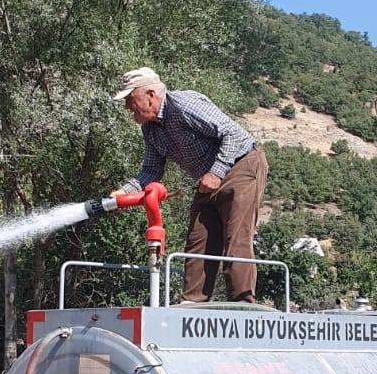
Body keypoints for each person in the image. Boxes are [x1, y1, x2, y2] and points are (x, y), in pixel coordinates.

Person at [110, 67, 268, 303]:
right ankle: (191, 305)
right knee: (198, 241)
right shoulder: (150, 129)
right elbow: (151, 171)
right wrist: (122, 194)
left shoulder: (184, 105)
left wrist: (216, 172)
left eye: (130, 99)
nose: (127, 107)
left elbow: (233, 134)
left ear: (150, 95)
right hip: (208, 178)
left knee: (236, 238)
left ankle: (243, 305)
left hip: (241, 165)